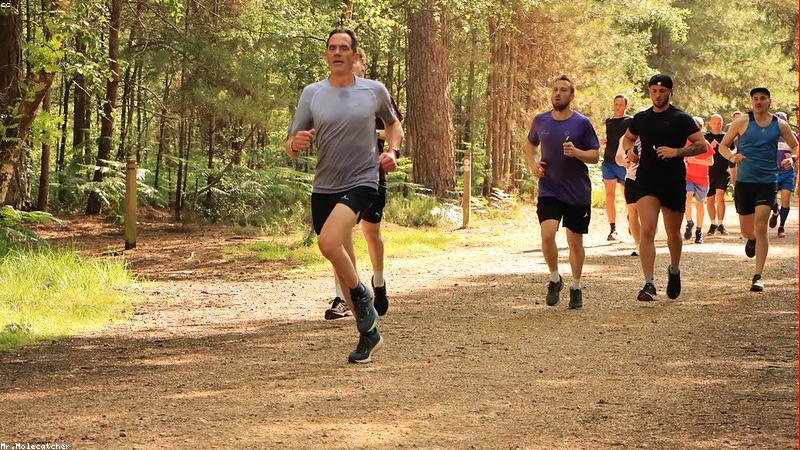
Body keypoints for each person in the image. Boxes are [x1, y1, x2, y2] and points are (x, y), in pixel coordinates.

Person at [286, 28, 403, 363]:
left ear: (354, 55)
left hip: (363, 180)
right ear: (327, 54)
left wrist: (392, 153)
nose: (337, 53)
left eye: (344, 48)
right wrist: (295, 144)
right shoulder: (312, 93)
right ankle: (369, 334)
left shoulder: (373, 91)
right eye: (332, 48)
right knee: (340, 261)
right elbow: (292, 142)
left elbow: (394, 124)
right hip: (325, 185)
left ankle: (362, 297)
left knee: (327, 243)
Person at [324, 47, 404, 321]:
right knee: (339, 239)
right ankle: (343, 296)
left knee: (371, 233)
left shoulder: (376, 93)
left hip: (372, 175)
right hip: (340, 178)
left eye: (354, 59)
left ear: (363, 64)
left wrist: (384, 144)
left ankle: (378, 283)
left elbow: (394, 128)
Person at [621, 74, 707, 301]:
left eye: (662, 91)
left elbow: (702, 145)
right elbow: (627, 139)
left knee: (673, 233)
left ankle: (674, 270)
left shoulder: (681, 118)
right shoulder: (641, 118)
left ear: (670, 92)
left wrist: (677, 152)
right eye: (654, 91)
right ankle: (649, 283)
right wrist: (630, 150)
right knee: (647, 230)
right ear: (650, 92)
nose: (657, 95)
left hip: (673, 180)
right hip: (646, 179)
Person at [525, 75, 600, 309]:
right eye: (555, 89)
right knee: (547, 235)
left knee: (574, 242)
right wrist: (533, 164)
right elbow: (530, 144)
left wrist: (577, 152)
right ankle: (554, 278)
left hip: (577, 191)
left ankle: (576, 286)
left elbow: (595, 156)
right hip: (549, 188)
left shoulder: (582, 123)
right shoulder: (540, 121)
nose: (557, 93)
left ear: (571, 96)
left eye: (563, 90)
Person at [718, 88, 798, 292]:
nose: (758, 102)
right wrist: (732, 157)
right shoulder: (742, 122)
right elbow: (723, 146)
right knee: (748, 229)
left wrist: (792, 158)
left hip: (768, 181)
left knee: (761, 225)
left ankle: (758, 276)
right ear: (752, 101)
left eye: (763, 99)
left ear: (770, 102)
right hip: (745, 182)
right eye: (755, 99)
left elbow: (795, 146)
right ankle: (751, 239)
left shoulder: (780, 124)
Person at [601, 95, 632, 241]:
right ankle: (612, 229)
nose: (618, 106)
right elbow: (610, 138)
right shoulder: (609, 121)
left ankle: (631, 219)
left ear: (626, 106)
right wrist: (604, 141)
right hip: (608, 162)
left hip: (624, 163)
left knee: (628, 197)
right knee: (610, 196)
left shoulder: (630, 121)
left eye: (621, 104)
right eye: (616, 104)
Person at [683, 116, 715, 244]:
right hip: (688, 177)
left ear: (700, 129)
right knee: (687, 196)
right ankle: (689, 222)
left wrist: (694, 160)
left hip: (702, 179)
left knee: (699, 204)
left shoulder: (705, 144)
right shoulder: (685, 143)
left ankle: (699, 231)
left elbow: (711, 162)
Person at [768, 112, 796, 238]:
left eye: (783, 120)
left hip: (787, 173)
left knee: (786, 200)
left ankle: (781, 227)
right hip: (771, 173)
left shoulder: (792, 136)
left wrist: (792, 158)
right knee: (770, 199)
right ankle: (775, 212)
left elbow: (797, 150)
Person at [705, 114, 733, 235]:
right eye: (714, 123)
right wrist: (711, 147)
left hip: (723, 171)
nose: (716, 125)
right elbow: (700, 153)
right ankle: (713, 223)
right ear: (710, 123)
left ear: (722, 123)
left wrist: (726, 149)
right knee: (710, 199)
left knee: (720, 196)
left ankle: (721, 224)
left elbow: (733, 150)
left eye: (719, 123)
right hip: (708, 172)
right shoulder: (705, 137)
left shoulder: (726, 137)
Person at [615, 135, 641, 255]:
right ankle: (639, 245)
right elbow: (618, 158)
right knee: (632, 212)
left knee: (647, 213)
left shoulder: (652, 132)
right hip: (631, 178)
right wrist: (623, 161)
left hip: (650, 179)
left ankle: (647, 239)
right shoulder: (625, 138)